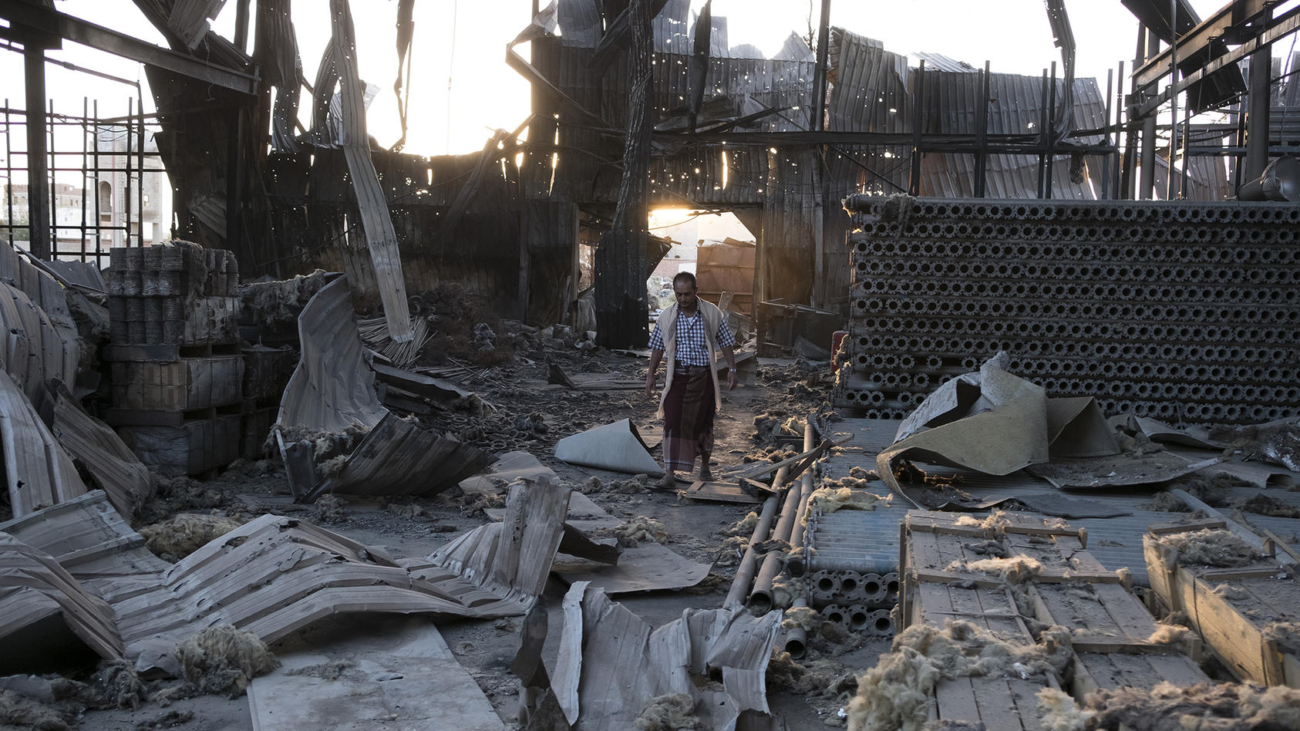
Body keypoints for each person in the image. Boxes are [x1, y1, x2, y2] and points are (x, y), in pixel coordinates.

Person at [644, 271, 737, 489]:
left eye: (687, 294)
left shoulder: (712, 313)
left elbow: (726, 342)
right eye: (679, 294)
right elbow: (658, 347)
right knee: (672, 422)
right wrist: (651, 375)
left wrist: (732, 369)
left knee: (704, 424)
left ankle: (705, 468)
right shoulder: (667, 316)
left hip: (703, 378)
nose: (683, 299)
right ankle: (669, 475)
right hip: (677, 379)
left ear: (696, 291)